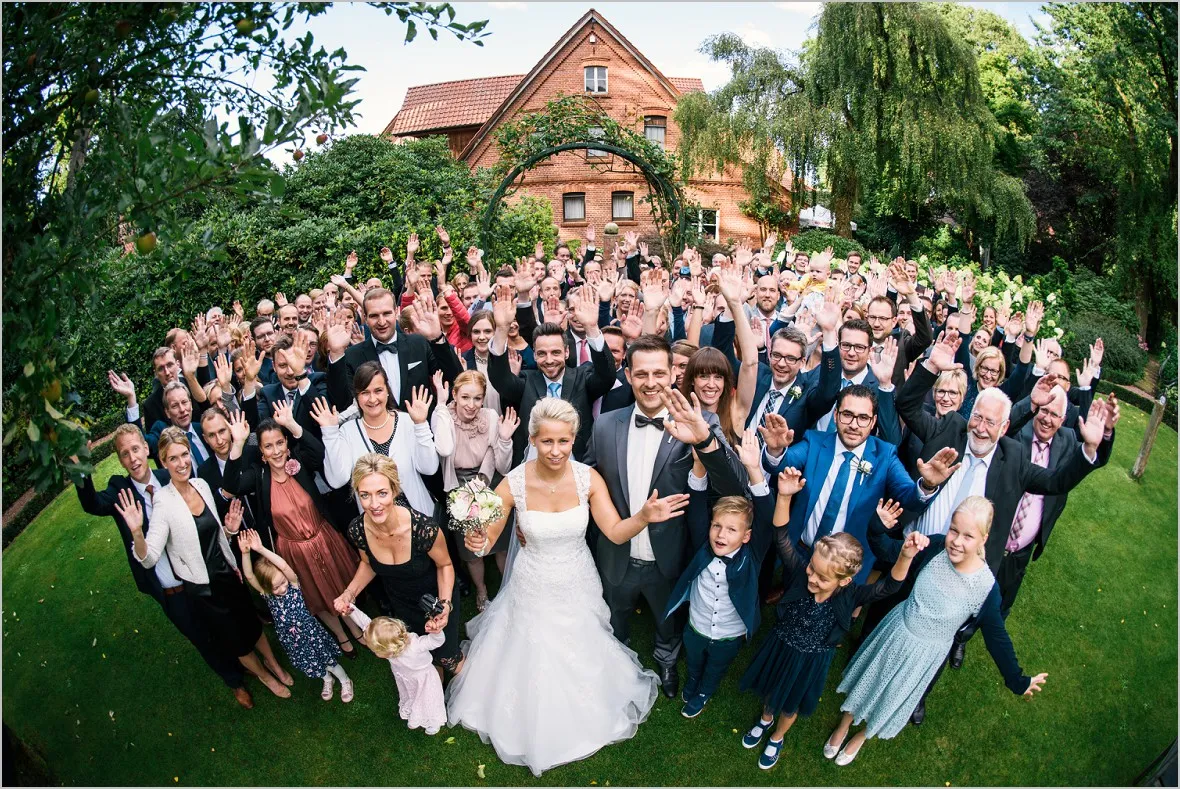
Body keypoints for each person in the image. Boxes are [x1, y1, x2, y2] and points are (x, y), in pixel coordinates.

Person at [446, 398, 691, 777]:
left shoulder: (588, 479)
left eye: (563, 441)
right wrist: (477, 539)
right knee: (532, 647)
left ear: (574, 439)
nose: (556, 450)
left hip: (577, 578)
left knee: (582, 642)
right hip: (532, 583)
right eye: (547, 441)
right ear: (533, 439)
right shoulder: (513, 483)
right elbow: (488, 537)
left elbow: (615, 531)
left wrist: (643, 516)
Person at [585, 339, 748, 700]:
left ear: (674, 373)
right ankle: (616, 663)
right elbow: (586, 480)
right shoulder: (605, 425)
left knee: (666, 619)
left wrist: (703, 441)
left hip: (670, 555)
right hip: (616, 551)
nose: (650, 382)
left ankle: (667, 660)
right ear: (628, 375)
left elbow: (735, 487)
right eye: (641, 373)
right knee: (616, 615)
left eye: (659, 373)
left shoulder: (700, 421)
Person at [828, 497, 1048, 765]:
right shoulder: (933, 547)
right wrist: (878, 526)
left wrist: (1018, 680)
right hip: (896, 632)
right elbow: (885, 551)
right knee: (871, 679)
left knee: (891, 695)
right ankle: (844, 723)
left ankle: (862, 735)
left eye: (968, 536)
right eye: (954, 530)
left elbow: (997, 637)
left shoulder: (985, 588)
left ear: (984, 539)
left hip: (924, 656)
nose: (956, 541)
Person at [739, 470, 924, 770]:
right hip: (782, 645)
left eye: (822, 577)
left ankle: (778, 736)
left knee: (791, 702)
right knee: (772, 688)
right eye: (812, 568)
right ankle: (765, 718)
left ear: (845, 580)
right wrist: (784, 496)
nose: (812, 577)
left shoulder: (852, 596)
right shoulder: (800, 573)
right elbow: (781, 536)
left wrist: (905, 556)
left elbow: (889, 586)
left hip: (810, 661)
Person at [74, 425, 254, 708]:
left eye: (136, 449)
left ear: (146, 449)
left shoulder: (167, 475)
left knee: (221, 622)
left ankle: (243, 657)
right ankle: (233, 680)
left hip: (200, 574)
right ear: (120, 460)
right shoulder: (120, 491)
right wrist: (81, 466)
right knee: (200, 636)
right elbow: (92, 503)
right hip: (171, 587)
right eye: (125, 454)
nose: (133, 458)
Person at [118, 426, 292, 699]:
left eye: (184, 455)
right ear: (163, 461)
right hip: (204, 589)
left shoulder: (200, 485)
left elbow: (214, 534)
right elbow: (148, 558)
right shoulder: (163, 502)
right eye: (173, 458)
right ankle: (265, 676)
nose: (181, 463)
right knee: (236, 640)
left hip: (228, 573)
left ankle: (274, 664)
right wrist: (137, 532)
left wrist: (230, 530)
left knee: (251, 624)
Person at [759, 384, 959, 582]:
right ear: (836, 415)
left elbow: (909, 497)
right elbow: (783, 464)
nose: (854, 425)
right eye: (847, 415)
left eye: (863, 418)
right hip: (800, 552)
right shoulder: (815, 442)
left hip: (846, 566)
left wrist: (927, 485)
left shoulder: (884, 455)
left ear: (873, 422)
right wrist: (776, 450)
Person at [221, 408, 363, 656]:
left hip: (324, 537)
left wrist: (292, 424)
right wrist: (238, 444)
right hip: (293, 550)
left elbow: (319, 453)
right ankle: (340, 635)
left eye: (279, 443)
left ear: (287, 444)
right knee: (315, 595)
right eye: (268, 446)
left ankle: (353, 625)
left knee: (340, 583)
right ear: (261, 452)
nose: (276, 451)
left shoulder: (299, 461)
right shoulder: (258, 476)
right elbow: (231, 486)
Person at [662, 429, 775, 719]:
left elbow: (766, 516)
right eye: (717, 526)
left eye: (732, 530)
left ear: (746, 536)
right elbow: (697, 506)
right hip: (696, 627)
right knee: (695, 660)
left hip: (729, 634)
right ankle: (693, 681)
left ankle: (704, 691)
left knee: (716, 667)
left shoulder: (752, 555)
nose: (721, 535)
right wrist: (699, 466)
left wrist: (754, 469)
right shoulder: (703, 544)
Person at [334, 454, 463, 675]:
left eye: (382, 493)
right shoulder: (357, 530)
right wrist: (349, 593)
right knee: (422, 658)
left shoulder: (424, 529)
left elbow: (445, 566)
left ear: (395, 490)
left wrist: (444, 606)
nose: (374, 504)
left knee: (448, 659)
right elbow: (368, 564)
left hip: (435, 599)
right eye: (365, 495)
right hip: (402, 604)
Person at [487, 285, 617, 465]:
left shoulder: (582, 377)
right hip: (533, 468)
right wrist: (502, 329)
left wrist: (592, 328)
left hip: (576, 467)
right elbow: (501, 380)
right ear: (534, 355)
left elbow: (606, 376)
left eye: (556, 352)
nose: (549, 360)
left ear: (566, 352)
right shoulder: (526, 381)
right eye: (542, 354)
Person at [430, 370, 517, 611]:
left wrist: (504, 439)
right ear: (455, 395)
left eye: (477, 398)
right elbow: (444, 449)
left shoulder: (490, 417)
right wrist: (440, 404)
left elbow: (503, 466)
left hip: (489, 481)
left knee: (500, 543)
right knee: (471, 549)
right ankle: (482, 591)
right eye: (465, 397)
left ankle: (509, 588)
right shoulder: (442, 416)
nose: (471, 405)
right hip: (458, 488)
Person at [238, 529, 354, 703]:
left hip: (310, 634)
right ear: (267, 587)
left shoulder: (292, 584)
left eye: (282, 582)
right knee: (312, 664)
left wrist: (261, 549)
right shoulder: (267, 594)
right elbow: (249, 575)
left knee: (328, 661)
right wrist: (245, 553)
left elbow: (284, 566)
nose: (282, 588)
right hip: (293, 641)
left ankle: (345, 680)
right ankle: (327, 679)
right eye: (276, 587)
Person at [314, 363, 439, 517]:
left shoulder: (407, 421)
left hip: (418, 518)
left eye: (378, 390)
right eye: (365, 393)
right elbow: (336, 480)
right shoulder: (348, 431)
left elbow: (429, 468)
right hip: (376, 524)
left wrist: (420, 424)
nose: (372, 399)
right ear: (356, 396)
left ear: (387, 391)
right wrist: (330, 433)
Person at [323, 287, 460, 413]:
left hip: (420, 427)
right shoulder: (353, 355)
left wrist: (437, 338)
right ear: (365, 317)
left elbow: (455, 380)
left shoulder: (419, 344)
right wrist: (336, 353)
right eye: (374, 316)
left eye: (387, 313)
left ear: (396, 312)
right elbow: (341, 404)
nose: (382, 322)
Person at [346, 606, 447, 735]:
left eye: (375, 651)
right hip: (406, 678)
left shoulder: (415, 645)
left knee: (428, 700)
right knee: (412, 696)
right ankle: (415, 712)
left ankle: (433, 722)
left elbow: (436, 642)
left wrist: (436, 631)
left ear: (387, 650)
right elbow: (365, 623)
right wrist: (351, 609)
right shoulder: (385, 640)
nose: (374, 653)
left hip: (424, 679)